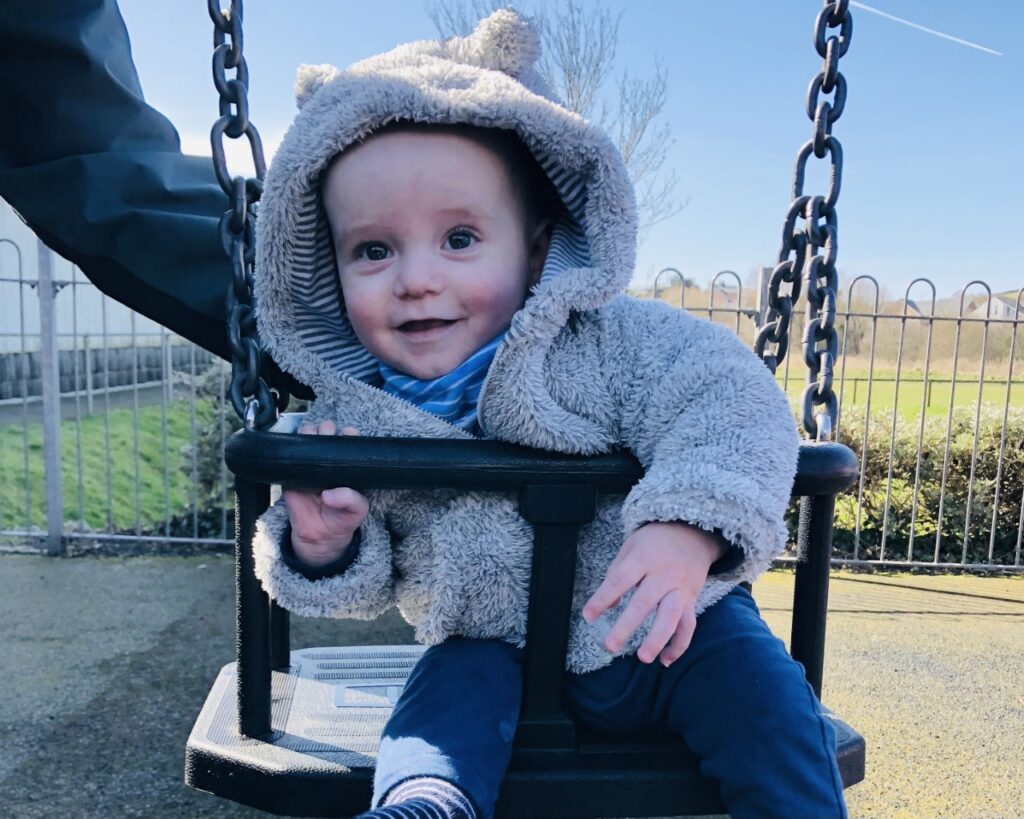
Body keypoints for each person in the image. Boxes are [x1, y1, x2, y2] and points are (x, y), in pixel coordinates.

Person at [248, 10, 847, 819]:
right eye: (373, 250)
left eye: (459, 238)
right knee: (438, 703)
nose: (415, 279)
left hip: (667, 626)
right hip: (490, 650)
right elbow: (361, 581)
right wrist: (323, 543)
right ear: (330, 265)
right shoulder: (351, 417)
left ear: (533, 248)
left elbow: (731, 396)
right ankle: (425, 804)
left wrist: (687, 527)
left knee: (769, 707)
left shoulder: (610, 339)